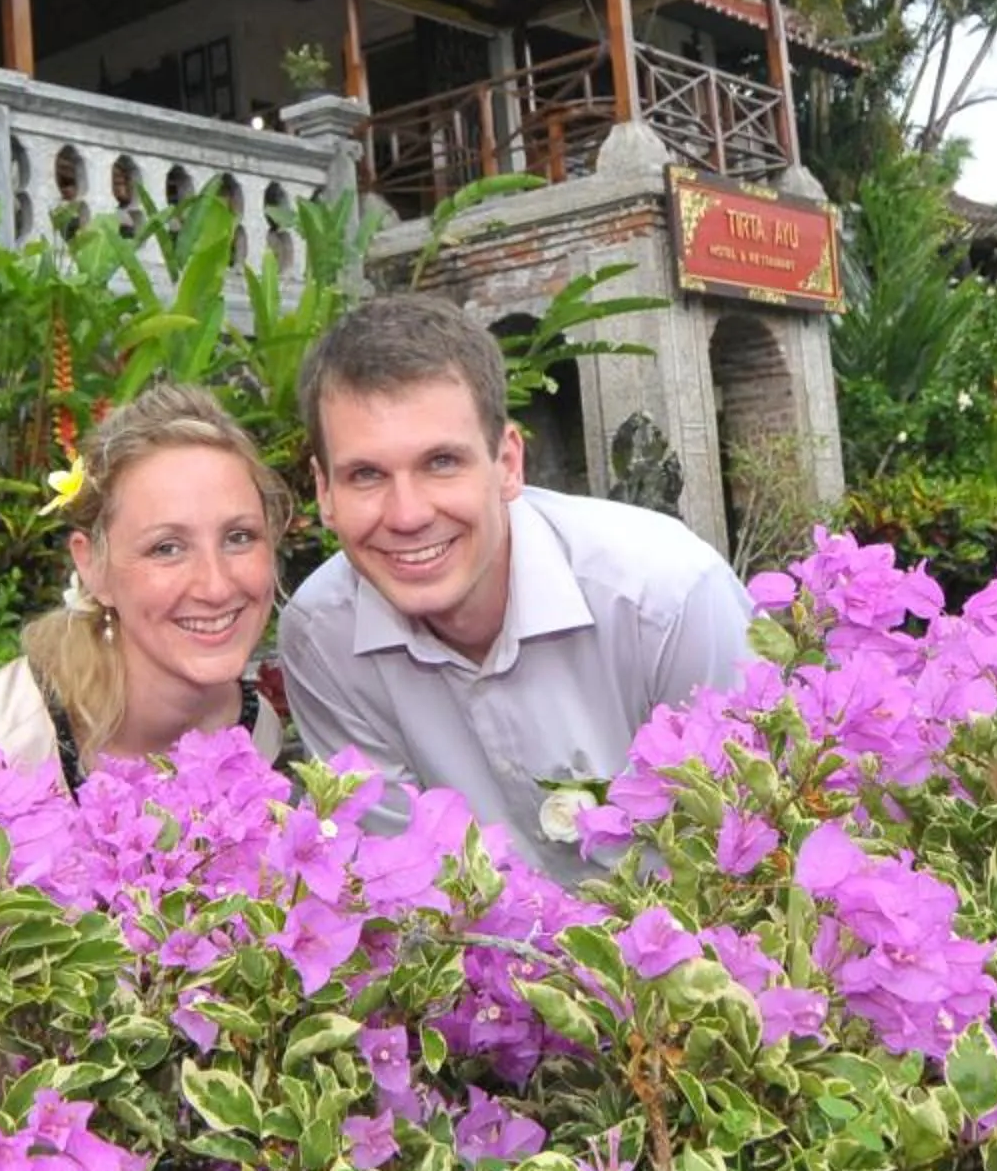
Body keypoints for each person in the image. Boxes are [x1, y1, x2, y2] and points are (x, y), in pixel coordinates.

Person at [277, 294, 757, 884]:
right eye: (367, 475)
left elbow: (760, 840)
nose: (406, 515)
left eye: (441, 463)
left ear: (507, 464)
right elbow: (395, 881)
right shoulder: (321, 637)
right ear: (324, 492)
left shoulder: (666, 598)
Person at [0, 382, 290, 785]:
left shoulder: (251, 730)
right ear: (92, 565)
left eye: (239, 537)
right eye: (167, 548)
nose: (216, 586)